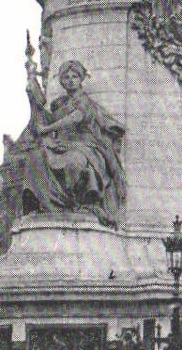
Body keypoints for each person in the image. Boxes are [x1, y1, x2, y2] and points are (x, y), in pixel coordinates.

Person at [10, 58, 126, 227]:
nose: (70, 80)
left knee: (74, 161)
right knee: (35, 157)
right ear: (61, 81)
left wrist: (47, 129)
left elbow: (75, 118)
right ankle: (42, 204)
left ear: (81, 79)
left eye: (74, 76)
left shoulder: (84, 101)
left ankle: (77, 203)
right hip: (61, 145)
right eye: (66, 77)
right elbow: (42, 112)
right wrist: (32, 84)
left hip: (85, 146)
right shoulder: (59, 103)